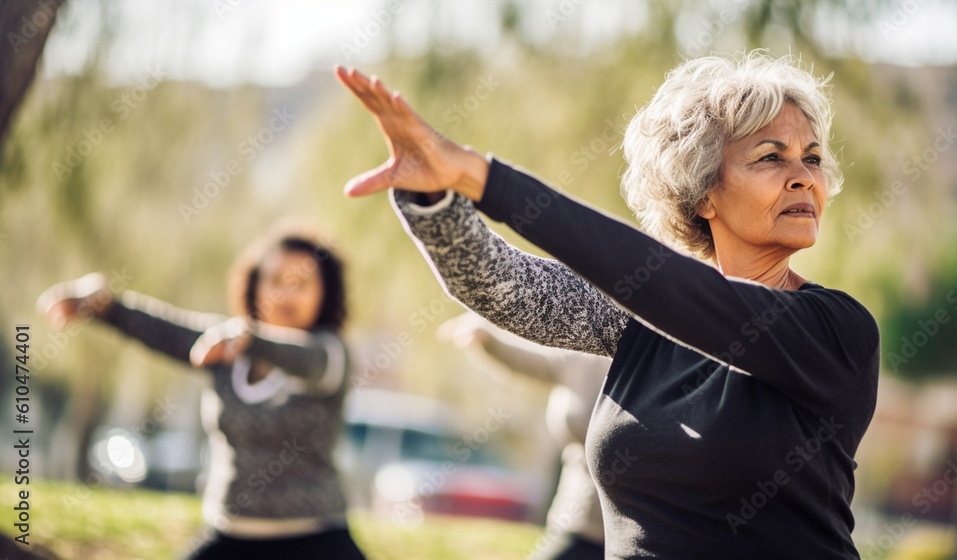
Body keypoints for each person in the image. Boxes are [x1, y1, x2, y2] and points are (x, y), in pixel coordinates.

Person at [333, 49, 881, 559]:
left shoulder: (836, 331)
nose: (804, 178)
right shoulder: (645, 318)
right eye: (771, 157)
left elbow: (664, 286)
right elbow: (506, 287)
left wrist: (482, 176)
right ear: (703, 194)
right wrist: (435, 194)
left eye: (812, 158)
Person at [37, 225, 367, 560]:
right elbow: (166, 330)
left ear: (325, 294)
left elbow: (308, 361)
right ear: (255, 286)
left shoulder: (331, 354)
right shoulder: (226, 348)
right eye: (275, 280)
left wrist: (248, 338)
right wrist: (105, 306)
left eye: (301, 284)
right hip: (231, 537)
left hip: (316, 541)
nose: (284, 294)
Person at [439, 312, 608, 560]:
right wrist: (487, 339)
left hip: (646, 538)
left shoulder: (664, 358)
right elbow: (533, 361)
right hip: (577, 524)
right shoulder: (585, 351)